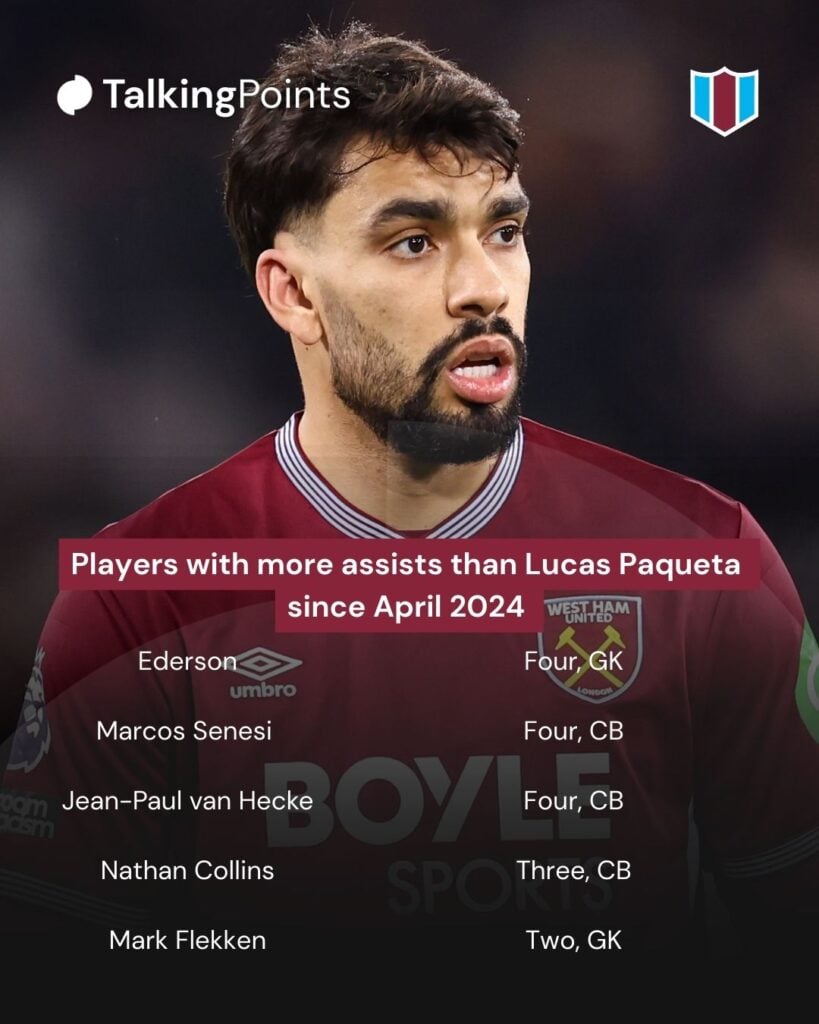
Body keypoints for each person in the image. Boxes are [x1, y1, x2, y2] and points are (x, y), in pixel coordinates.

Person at [1, 23, 817, 963]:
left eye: (503, 231)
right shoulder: (140, 600)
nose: (481, 287)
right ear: (292, 294)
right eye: (412, 240)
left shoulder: (703, 561)